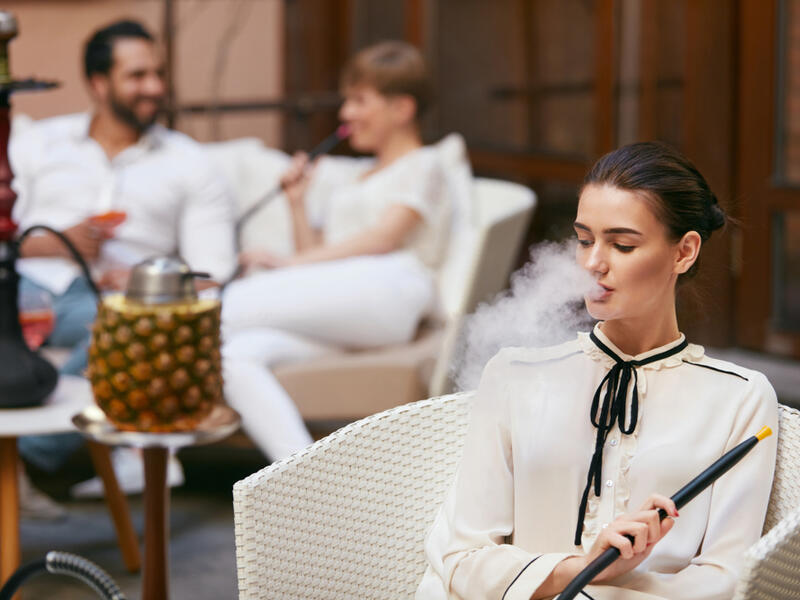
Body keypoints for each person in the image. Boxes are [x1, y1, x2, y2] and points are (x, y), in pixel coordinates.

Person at [416, 142, 778, 600]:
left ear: (684, 252)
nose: (592, 263)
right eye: (584, 240)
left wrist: (604, 588)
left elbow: (728, 580)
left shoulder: (741, 399)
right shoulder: (515, 374)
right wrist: (585, 569)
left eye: (622, 244)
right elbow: (461, 557)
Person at [11, 20, 236, 500]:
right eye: (137, 76)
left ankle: (23, 465)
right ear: (98, 83)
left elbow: (213, 272)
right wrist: (52, 244)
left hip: (110, 304)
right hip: (27, 284)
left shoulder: (189, 162)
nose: (154, 87)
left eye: (158, 74)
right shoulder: (38, 143)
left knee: (118, 333)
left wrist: (145, 283)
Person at [221, 41, 451, 461]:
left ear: (401, 109)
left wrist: (286, 265)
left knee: (224, 310)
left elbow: (382, 239)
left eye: (359, 100)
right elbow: (319, 258)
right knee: (234, 356)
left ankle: (193, 320)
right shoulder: (357, 177)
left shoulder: (426, 164)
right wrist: (297, 203)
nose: (345, 113)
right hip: (349, 308)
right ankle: (302, 482)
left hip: (394, 289)